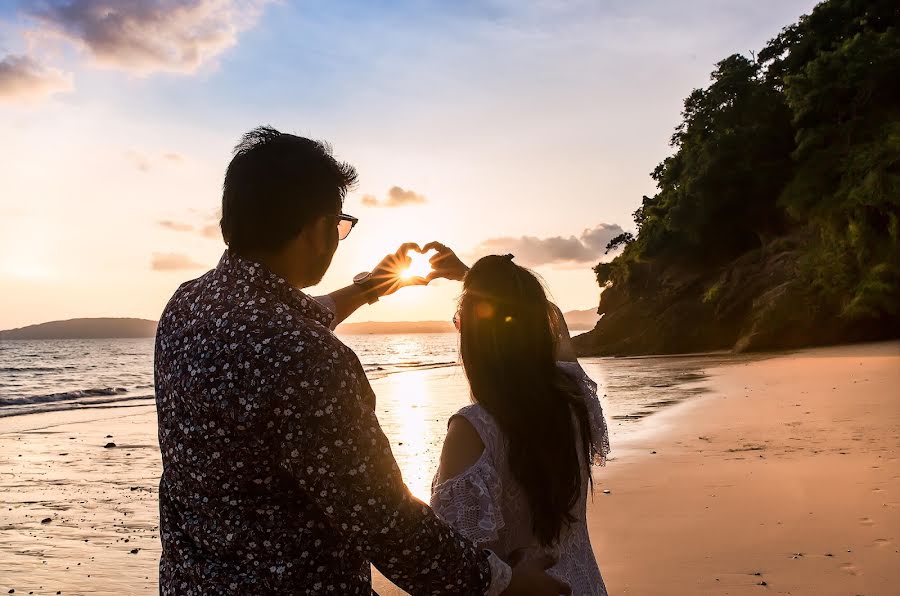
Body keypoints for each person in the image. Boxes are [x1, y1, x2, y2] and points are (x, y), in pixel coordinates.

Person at [154, 126, 571, 595]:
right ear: (317, 230)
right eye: (338, 225)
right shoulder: (309, 359)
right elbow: (386, 524)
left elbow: (291, 319)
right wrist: (503, 583)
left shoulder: (185, 308)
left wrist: (373, 286)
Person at [424, 248, 610, 596]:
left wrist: (479, 283)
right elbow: (554, 322)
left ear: (471, 335)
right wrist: (488, 282)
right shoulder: (575, 400)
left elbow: (458, 563)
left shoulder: (473, 430)